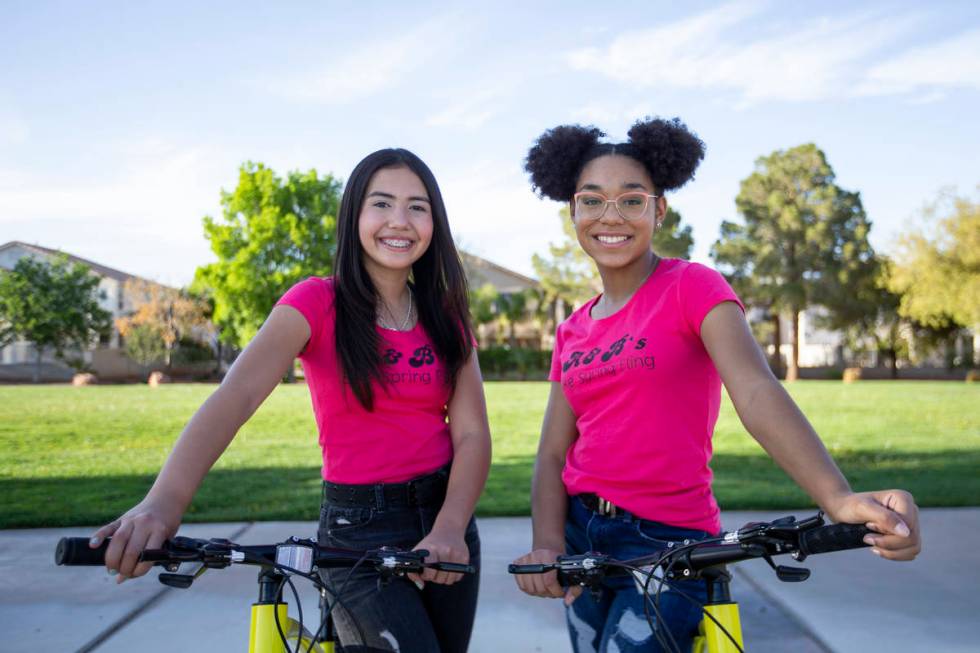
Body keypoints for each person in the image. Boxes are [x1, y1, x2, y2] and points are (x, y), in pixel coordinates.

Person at [511, 118, 921, 653]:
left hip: (668, 542)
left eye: (631, 200)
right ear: (573, 212)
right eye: (591, 201)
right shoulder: (573, 328)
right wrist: (546, 544)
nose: (610, 216)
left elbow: (754, 390)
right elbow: (552, 453)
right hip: (583, 539)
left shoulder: (692, 286)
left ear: (660, 209)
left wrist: (836, 497)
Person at [90, 148, 492, 653]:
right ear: (355, 217)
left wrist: (451, 525)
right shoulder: (315, 301)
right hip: (358, 531)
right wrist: (163, 505)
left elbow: (472, 432)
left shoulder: (446, 316)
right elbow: (235, 396)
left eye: (418, 206)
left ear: (435, 221)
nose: (399, 221)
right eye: (382, 203)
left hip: (447, 517)